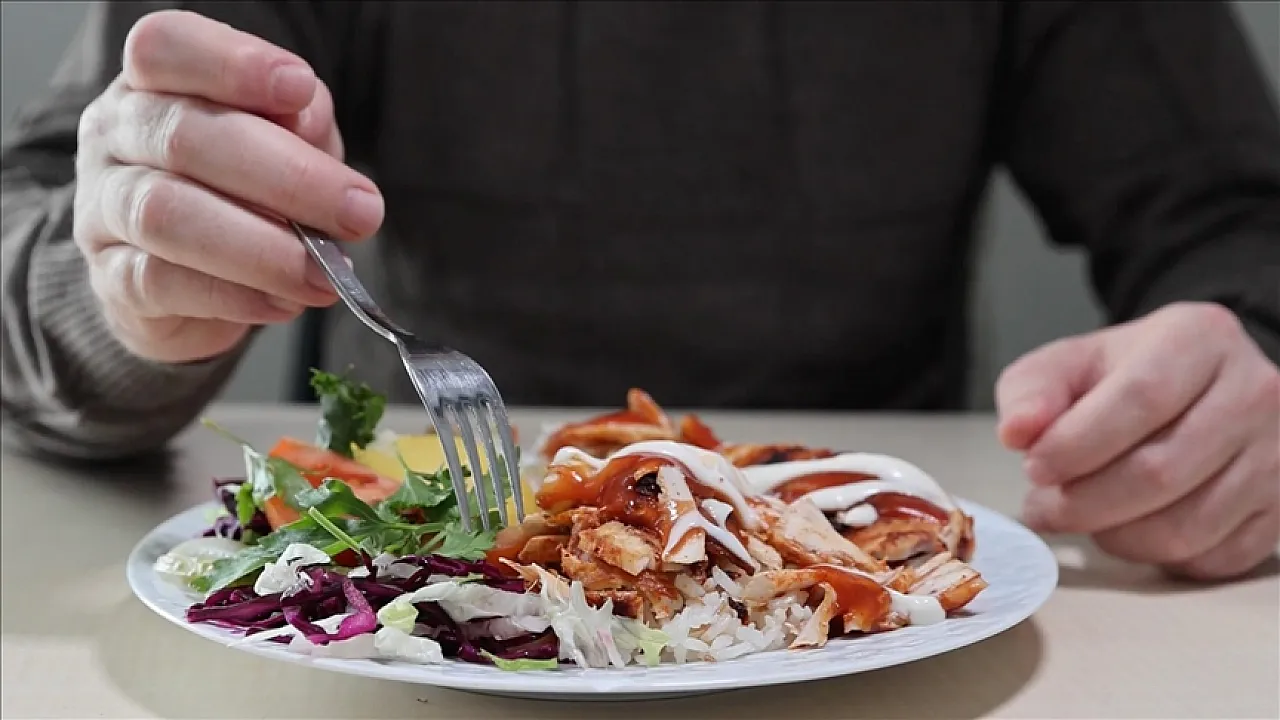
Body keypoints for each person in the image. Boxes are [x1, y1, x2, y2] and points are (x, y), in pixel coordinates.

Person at [2, 2, 1277, 580]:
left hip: (877, 600)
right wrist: (126, 297)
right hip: (420, 594)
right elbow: (39, 228)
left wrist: (1244, 368)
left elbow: (1238, 220)